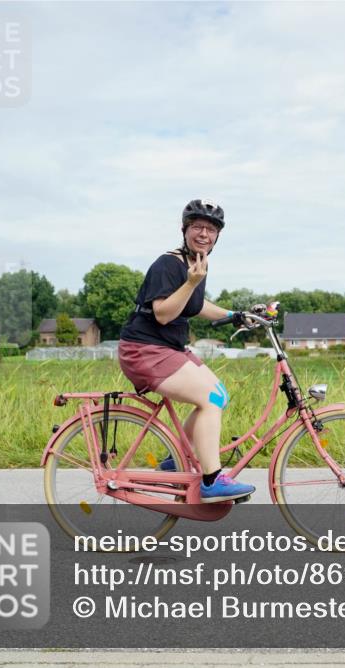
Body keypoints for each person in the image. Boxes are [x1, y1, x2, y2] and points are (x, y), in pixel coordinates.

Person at [118, 199, 256, 503]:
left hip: (166, 348)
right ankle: (211, 481)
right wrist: (191, 281)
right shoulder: (169, 264)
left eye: (211, 229)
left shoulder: (195, 263)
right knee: (209, 399)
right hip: (144, 349)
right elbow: (165, 313)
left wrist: (235, 315)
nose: (204, 233)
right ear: (185, 230)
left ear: (218, 236)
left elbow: (195, 305)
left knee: (218, 394)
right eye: (197, 227)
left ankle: (174, 462)